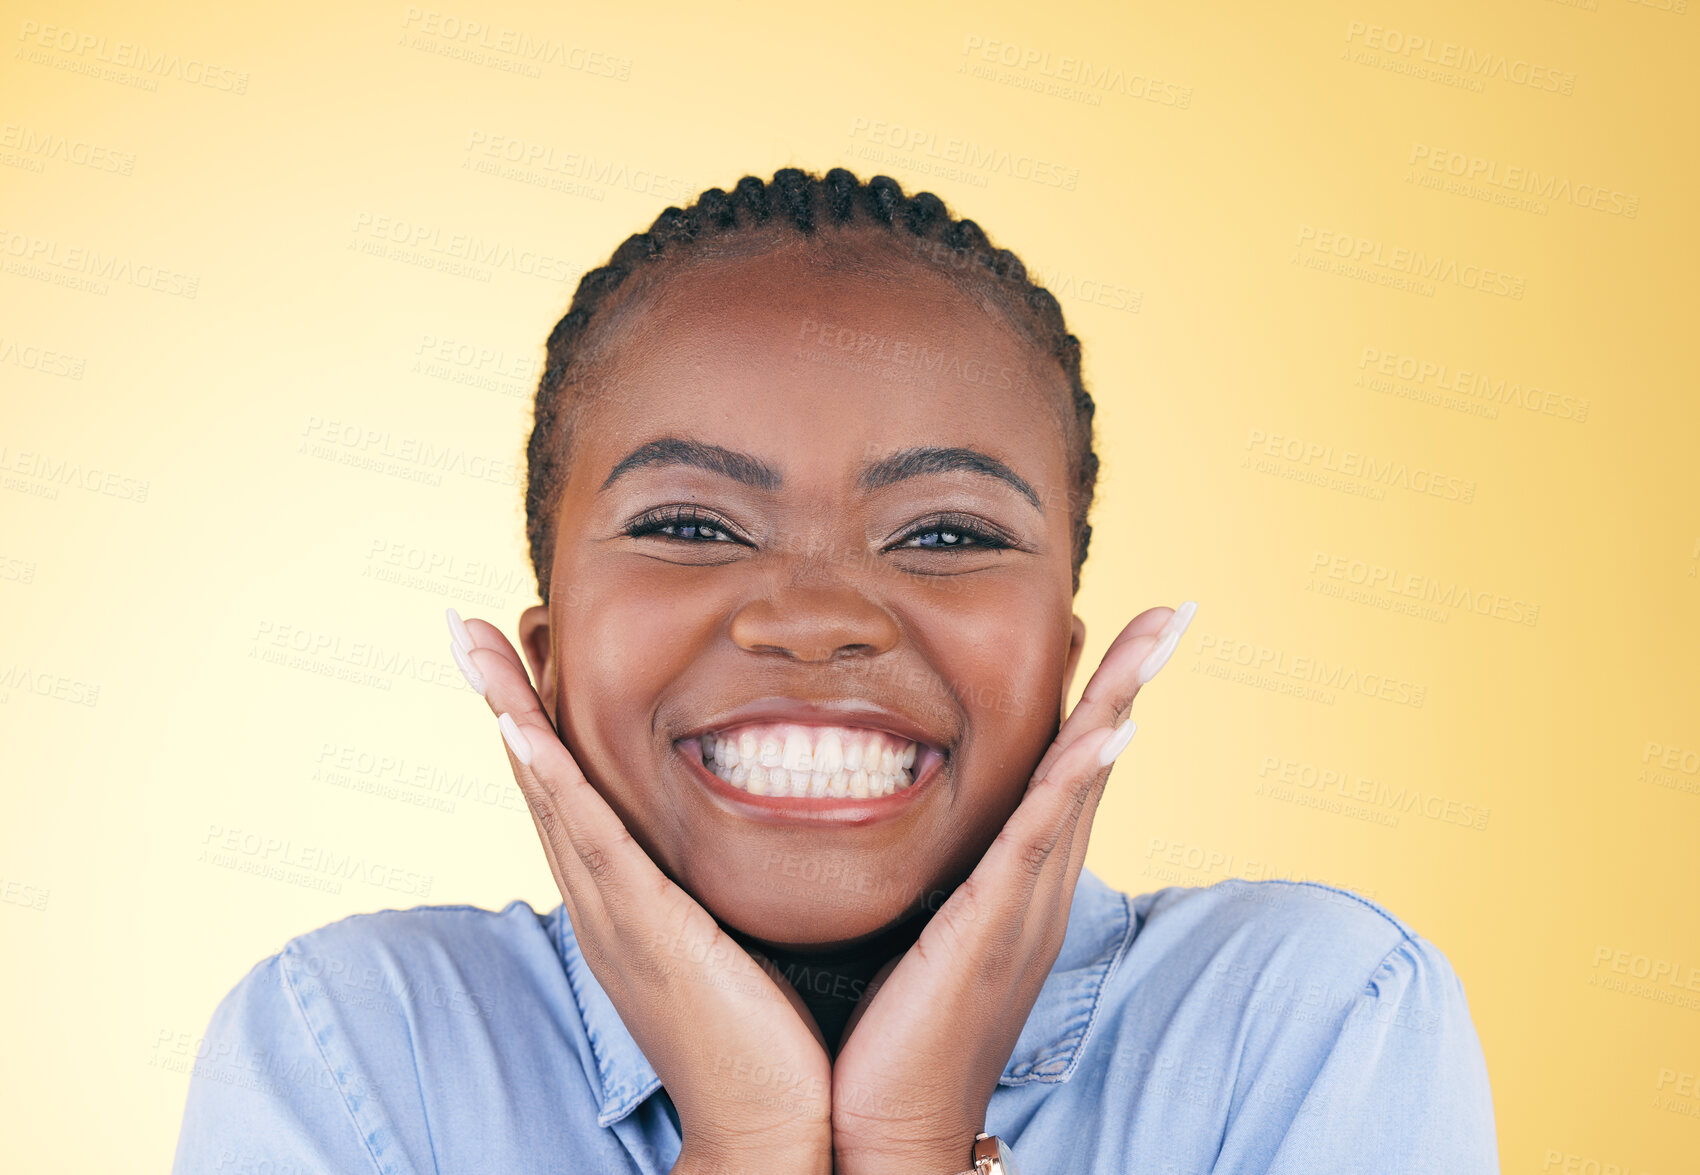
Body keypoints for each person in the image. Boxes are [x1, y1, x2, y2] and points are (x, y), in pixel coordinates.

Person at [170, 167, 1498, 1174]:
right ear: (549, 661)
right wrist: (751, 1141)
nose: (813, 619)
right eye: (691, 525)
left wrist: (916, 1137)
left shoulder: (1312, 1017)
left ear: (1061, 665)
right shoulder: (361, 1046)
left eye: (946, 534)